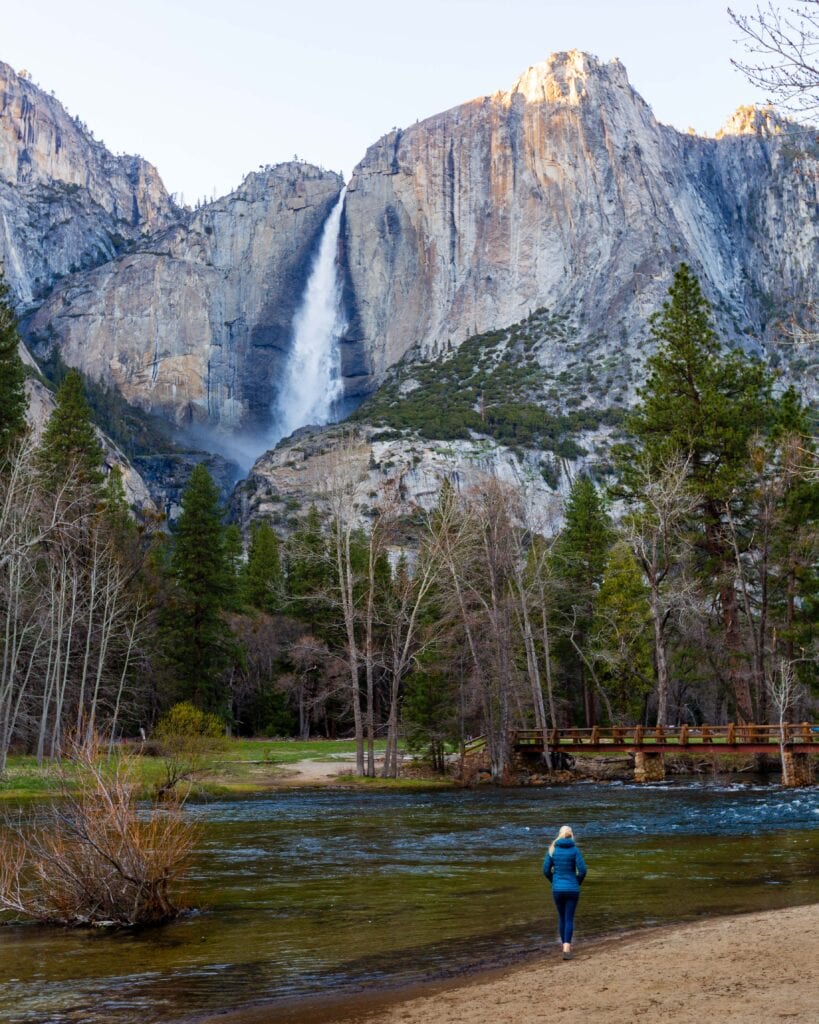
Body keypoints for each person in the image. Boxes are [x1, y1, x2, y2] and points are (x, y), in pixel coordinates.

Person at [543, 824, 587, 960]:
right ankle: (567, 947)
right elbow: (583, 870)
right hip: (572, 889)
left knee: (562, 917)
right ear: (571, 835)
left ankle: (564, 945)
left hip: (558, 889)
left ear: (559, 834)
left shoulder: (552, 850)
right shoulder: (575, 850)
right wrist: (576, 881)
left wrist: (554, 881)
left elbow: (545, 871)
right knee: (569, 918)